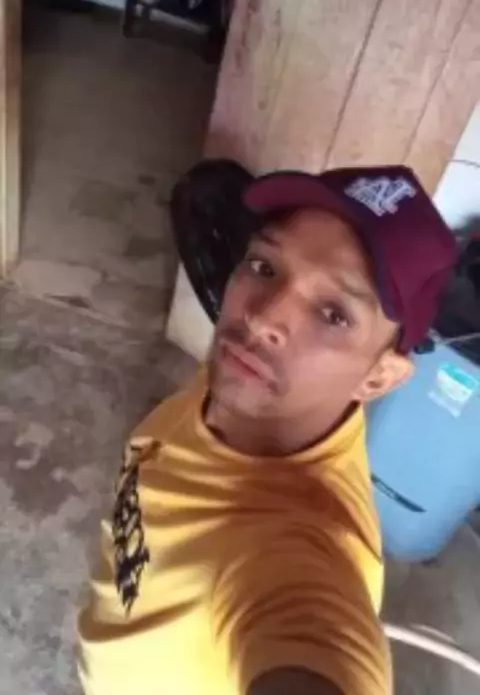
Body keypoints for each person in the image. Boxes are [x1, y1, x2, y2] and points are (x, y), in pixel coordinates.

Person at [77, 165, 456, 695]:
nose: (260, 319)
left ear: (378, 377)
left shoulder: (303, 549)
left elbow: (316, 644)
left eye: (333, 314)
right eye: (264, 266)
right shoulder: (247, 382)